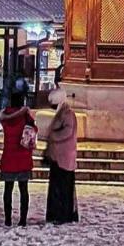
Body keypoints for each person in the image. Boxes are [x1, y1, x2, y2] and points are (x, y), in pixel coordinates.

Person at [0, 83, 36, 227]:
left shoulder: (5, 118)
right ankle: (22, 220)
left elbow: (3, 118)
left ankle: (8, 219)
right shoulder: (25, 118)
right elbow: (34, 129)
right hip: (23, 158)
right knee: (23, 190)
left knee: (8, 190)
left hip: (8, 158)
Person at [44, 87, 78, 224]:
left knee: (63, 188)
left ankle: (63, 215)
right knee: (57, 187)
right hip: (57, 157)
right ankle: (56, 214)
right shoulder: (62, 113)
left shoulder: (67, 114)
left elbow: (67, 133)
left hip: (64, 158)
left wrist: (53, 136)